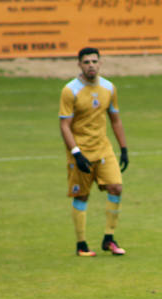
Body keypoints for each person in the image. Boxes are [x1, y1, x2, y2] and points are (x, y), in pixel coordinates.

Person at [59, 47, 130, 257]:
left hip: (103, 149)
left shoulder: (108, 87)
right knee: (81, 195)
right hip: (80, 150)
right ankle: (81, 244)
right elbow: (65, 125)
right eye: (86, 62)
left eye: (94, 61)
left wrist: (123, 148)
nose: (91, 65)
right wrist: (76, 152)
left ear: (100, 63)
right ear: (79, 64)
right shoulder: (70, 90)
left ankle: (109, 238)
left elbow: (115, 119)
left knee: (116, 187)